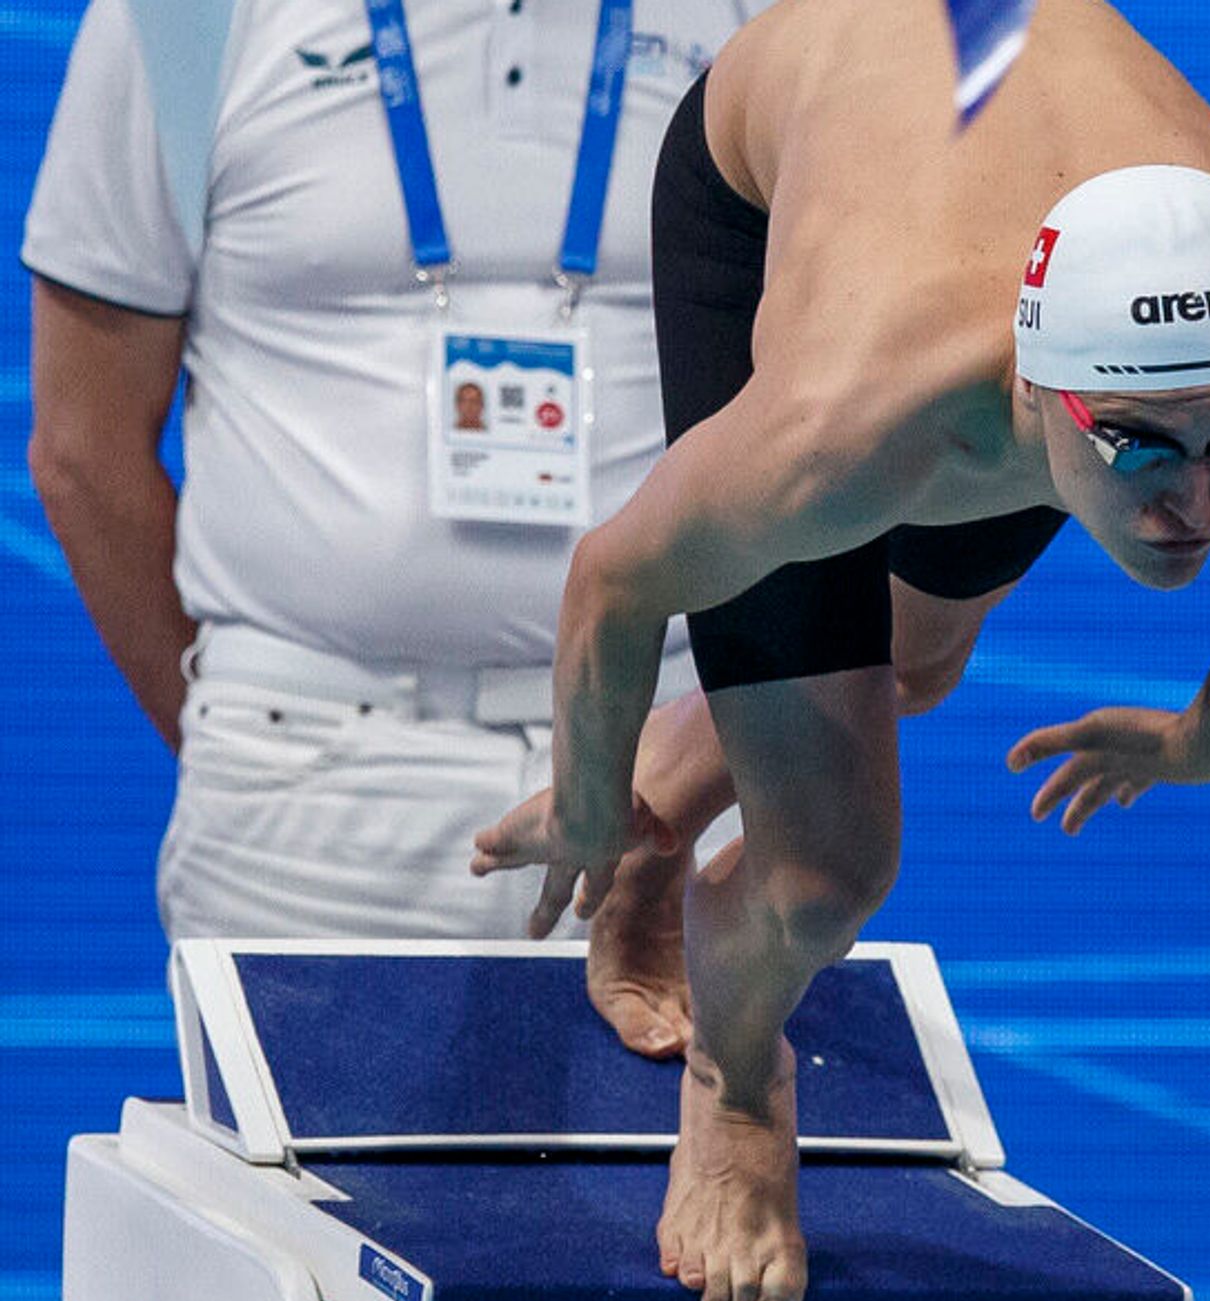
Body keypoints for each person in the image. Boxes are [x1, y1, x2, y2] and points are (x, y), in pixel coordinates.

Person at [472, 0, 1210, 1301]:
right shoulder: (848, 420)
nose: (1196, 506)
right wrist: (579, 799)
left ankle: (676, 803)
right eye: (1145, 449)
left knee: (904, 670)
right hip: (784, 174)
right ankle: (739, 1093)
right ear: (1032, 397)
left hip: (1005, 209)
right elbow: (616, 577)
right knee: (826, 868)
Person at [23, 0, 766, 950]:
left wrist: (715, 749)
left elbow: (846, 411)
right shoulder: (179, 16)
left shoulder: (781, 19)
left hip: (676, 775)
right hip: (304, 793)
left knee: (708, 1106)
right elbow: (84, 449)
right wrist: (244, 730)